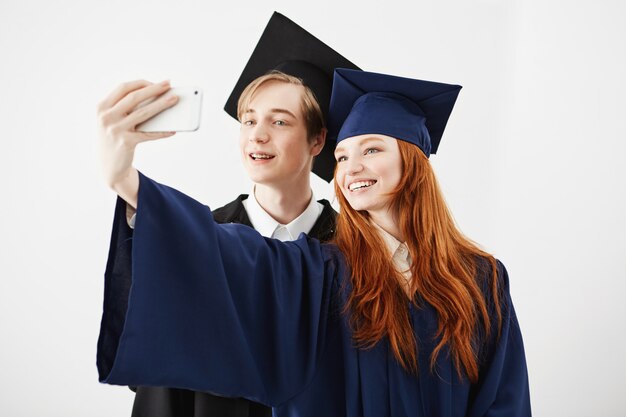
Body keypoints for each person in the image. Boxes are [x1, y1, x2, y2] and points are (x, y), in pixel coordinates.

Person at [97, 68, 531, 416]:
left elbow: (502, 398)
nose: (351, 167)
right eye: (343, 157)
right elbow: (234, 253)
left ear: (413, 162)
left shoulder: (484, 278)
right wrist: (128, 183)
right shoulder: (323, 269)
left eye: (372, 150)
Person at [99, 12, 360, 417]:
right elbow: (156, 357)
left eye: (279, 121)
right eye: (249, 120)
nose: (257, 134)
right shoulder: (201, 237)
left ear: (318, 140)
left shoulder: (356, 248)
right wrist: (129, 187)